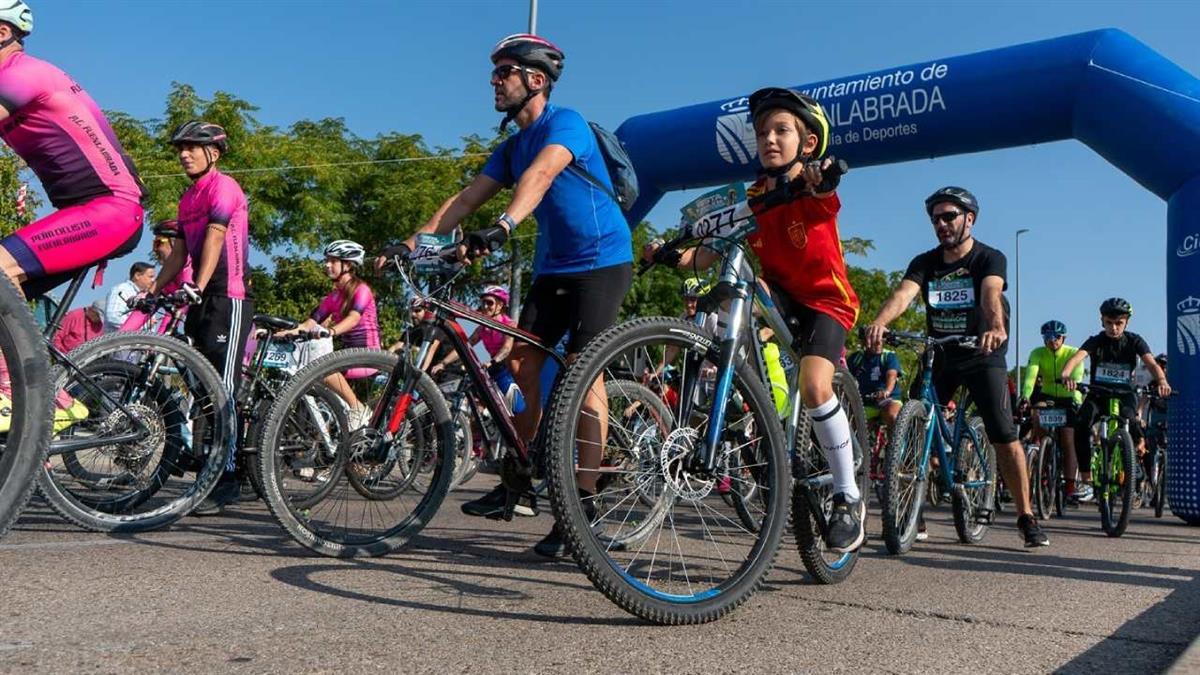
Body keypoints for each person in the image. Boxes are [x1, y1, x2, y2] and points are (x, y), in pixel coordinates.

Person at [380, 34, 633, 557]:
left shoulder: (566, 123)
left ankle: (583, 504)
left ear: (535, 80)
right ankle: (520, 478)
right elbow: (465, 199)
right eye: (494, 73)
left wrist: (502, 226)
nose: (494, 81)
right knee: (520, 360)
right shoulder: (510, 146)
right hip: (556, 266)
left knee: (584, 369)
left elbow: (542, 176)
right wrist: (411, 242)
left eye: (504, 72)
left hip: (603, 261)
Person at [644, 87, 865, 552]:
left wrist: (822, 177)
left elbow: (825, 192)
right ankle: (750, 423)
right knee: (734, 301)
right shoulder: (752, 197)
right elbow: (708, 252)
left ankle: (848, 498)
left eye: (781, 130)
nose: (769, 138)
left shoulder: (809, 184)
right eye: (762, 131)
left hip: (826, 302)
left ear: (807, 143)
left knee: (815, 386)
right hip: (778, 297)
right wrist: (673, 255)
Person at [863, 186, 1049, 547]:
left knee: (1003, 434)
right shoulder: (925, 261)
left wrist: (996, 328)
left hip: (981, 351)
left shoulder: (988, 258)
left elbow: (990, 294)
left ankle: (1026, 516)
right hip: (941, 352)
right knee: (911, 424)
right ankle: (910, 510)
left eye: (949, 216)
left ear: (969, 219)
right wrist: (879, 322)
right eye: (936, 219)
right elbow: (903, 294)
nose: (942, 224)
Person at [0, 3, 146, 299]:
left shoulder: (22, 74)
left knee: (1, 270)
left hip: (109, 210)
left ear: (2, 31)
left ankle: (25, 348)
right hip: (82, 212)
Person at [150, 120, 254, 516]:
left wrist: (196, 282)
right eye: (180, 147)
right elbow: (178, 253)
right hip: (201, 296)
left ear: (214, 152)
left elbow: (214, 237)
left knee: (222, 388)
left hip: (229, 296)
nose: (184, 153)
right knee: (202, 388)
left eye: (193, 147)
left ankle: (227, 479)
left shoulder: (223, 187)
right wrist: (154, 291)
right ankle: (212, 461)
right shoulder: (187, 197)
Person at [1060, 298, 1171, 492]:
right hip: (1098, 394)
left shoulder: (1134, 340)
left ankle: (1132, 462)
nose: (1114, 328)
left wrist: (1161, 380)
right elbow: (1077, 357)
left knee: (1133, 422)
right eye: (1109, 323)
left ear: (1126, 322)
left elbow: (1152, 363)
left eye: (1119, 323)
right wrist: (1066, 374)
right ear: (1102, 321)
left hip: (1124, 394)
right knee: (1081, 423)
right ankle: (1086, 474)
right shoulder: (1096, 340)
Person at [278, 240, 380, 428]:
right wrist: (279, 334)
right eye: (327, 260)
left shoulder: (362, 290)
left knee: (323, 369)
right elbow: (308, 324)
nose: (327, 265)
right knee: (312, 376)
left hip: (369, 356)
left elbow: (353, 318)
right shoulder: (333, 297)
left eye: (333, 261)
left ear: (347, 264)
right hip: (348, 356)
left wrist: (330, 331)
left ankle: (358, 408)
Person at [1019, 320, 1087, 502]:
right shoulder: (1037, 353)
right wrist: (1025, 396)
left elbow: (1077, 374)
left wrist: (1073, 384)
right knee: (1038, 413)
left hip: (1069, 398)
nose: (1053, 341)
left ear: (1063, 338)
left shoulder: (1073, 353)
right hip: (1047, 396)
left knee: (1067, 439)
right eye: (1048, 337)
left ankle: (1071, 485)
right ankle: (1041, 455)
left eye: (1057, 337)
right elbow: (1030, 378)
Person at [430, 285, 524, 413]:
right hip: (491, 368)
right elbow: (465, 346)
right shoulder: (482, 328)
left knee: (517, 409)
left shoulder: (509, 324)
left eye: (489, 303)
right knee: (476, 403)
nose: (485, 306)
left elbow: (506, 349)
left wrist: (492, 362)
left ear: (500, 305)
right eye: (483, 302)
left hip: (507, 369)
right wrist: (443, 363)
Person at [847, 342, 904, 429]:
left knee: (893, 417)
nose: (878, 343)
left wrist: (887, 391)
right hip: (866, 403)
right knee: (854, 427)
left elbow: (892, 375)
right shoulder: (856, 358)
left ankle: (895, 442)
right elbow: (845, 376)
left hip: (890, 400)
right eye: (874, 340)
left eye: (880, 340)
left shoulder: (888, 356)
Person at [105, 261, 155, 331]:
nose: (153, 280)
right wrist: (143, 325)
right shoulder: (122, 290)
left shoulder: (146, 296)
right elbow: (113, 316)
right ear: (137, 275)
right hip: (121, 340)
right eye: (150, 277)